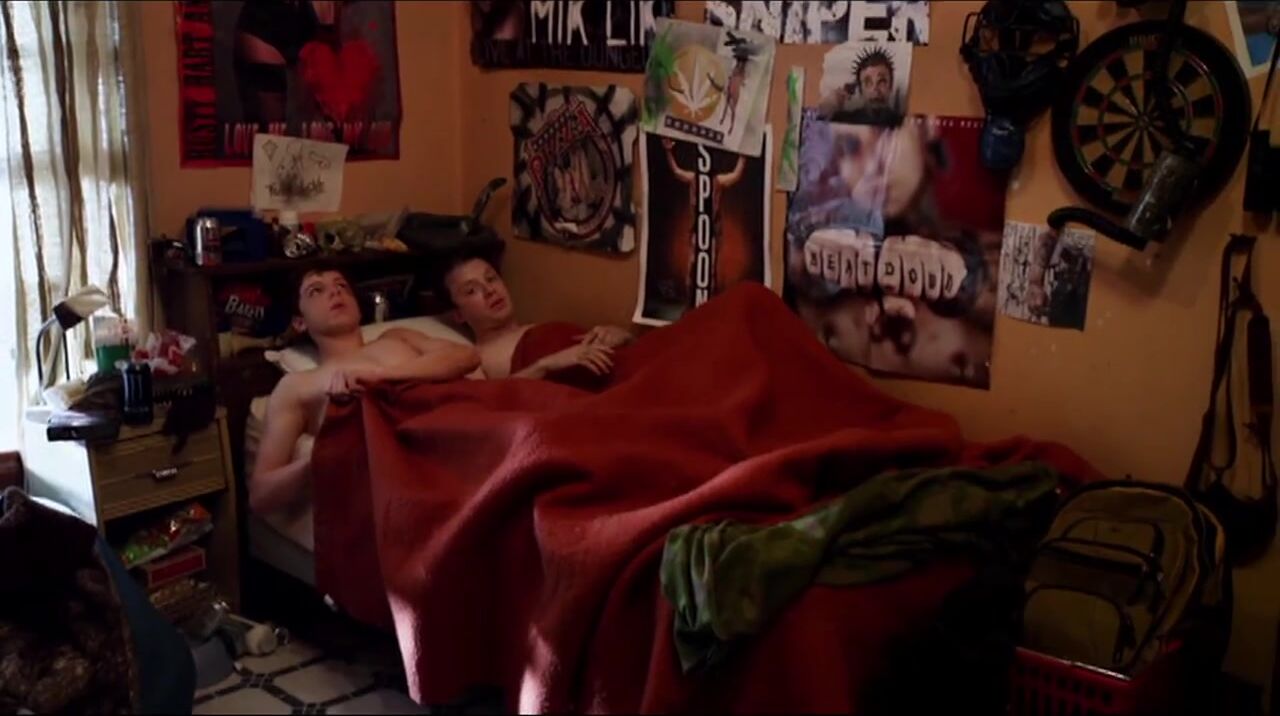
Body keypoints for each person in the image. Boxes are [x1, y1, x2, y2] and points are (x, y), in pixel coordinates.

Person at [250, 267, 480, 513]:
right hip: (425, 461)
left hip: (468, 422)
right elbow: (261, 495)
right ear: (299, 322)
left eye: (342, 286)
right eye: (316, 291)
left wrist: (382, 376)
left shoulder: (397, 337)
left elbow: (466, 356)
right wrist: (320, 457)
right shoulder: (298, 385)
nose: (335, 292)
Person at [434, 249, 633, 382]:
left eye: (491, 278)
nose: (490, 290)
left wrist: (619, 335)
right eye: (471, 290)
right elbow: (487, 403)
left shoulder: (537, 326)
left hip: (621, 372)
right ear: (458, 315)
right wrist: (545, 366)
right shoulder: (475, 359)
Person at [662, 137, 746, 304]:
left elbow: (736, 174)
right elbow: (676, 171)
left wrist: (743, 155)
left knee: (710, 268)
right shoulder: (694, 178)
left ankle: (708, 303)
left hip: (712, 230)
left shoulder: (717, 181)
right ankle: (690, 301)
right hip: (697, 229)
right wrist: (668, 151)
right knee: (692, 265)